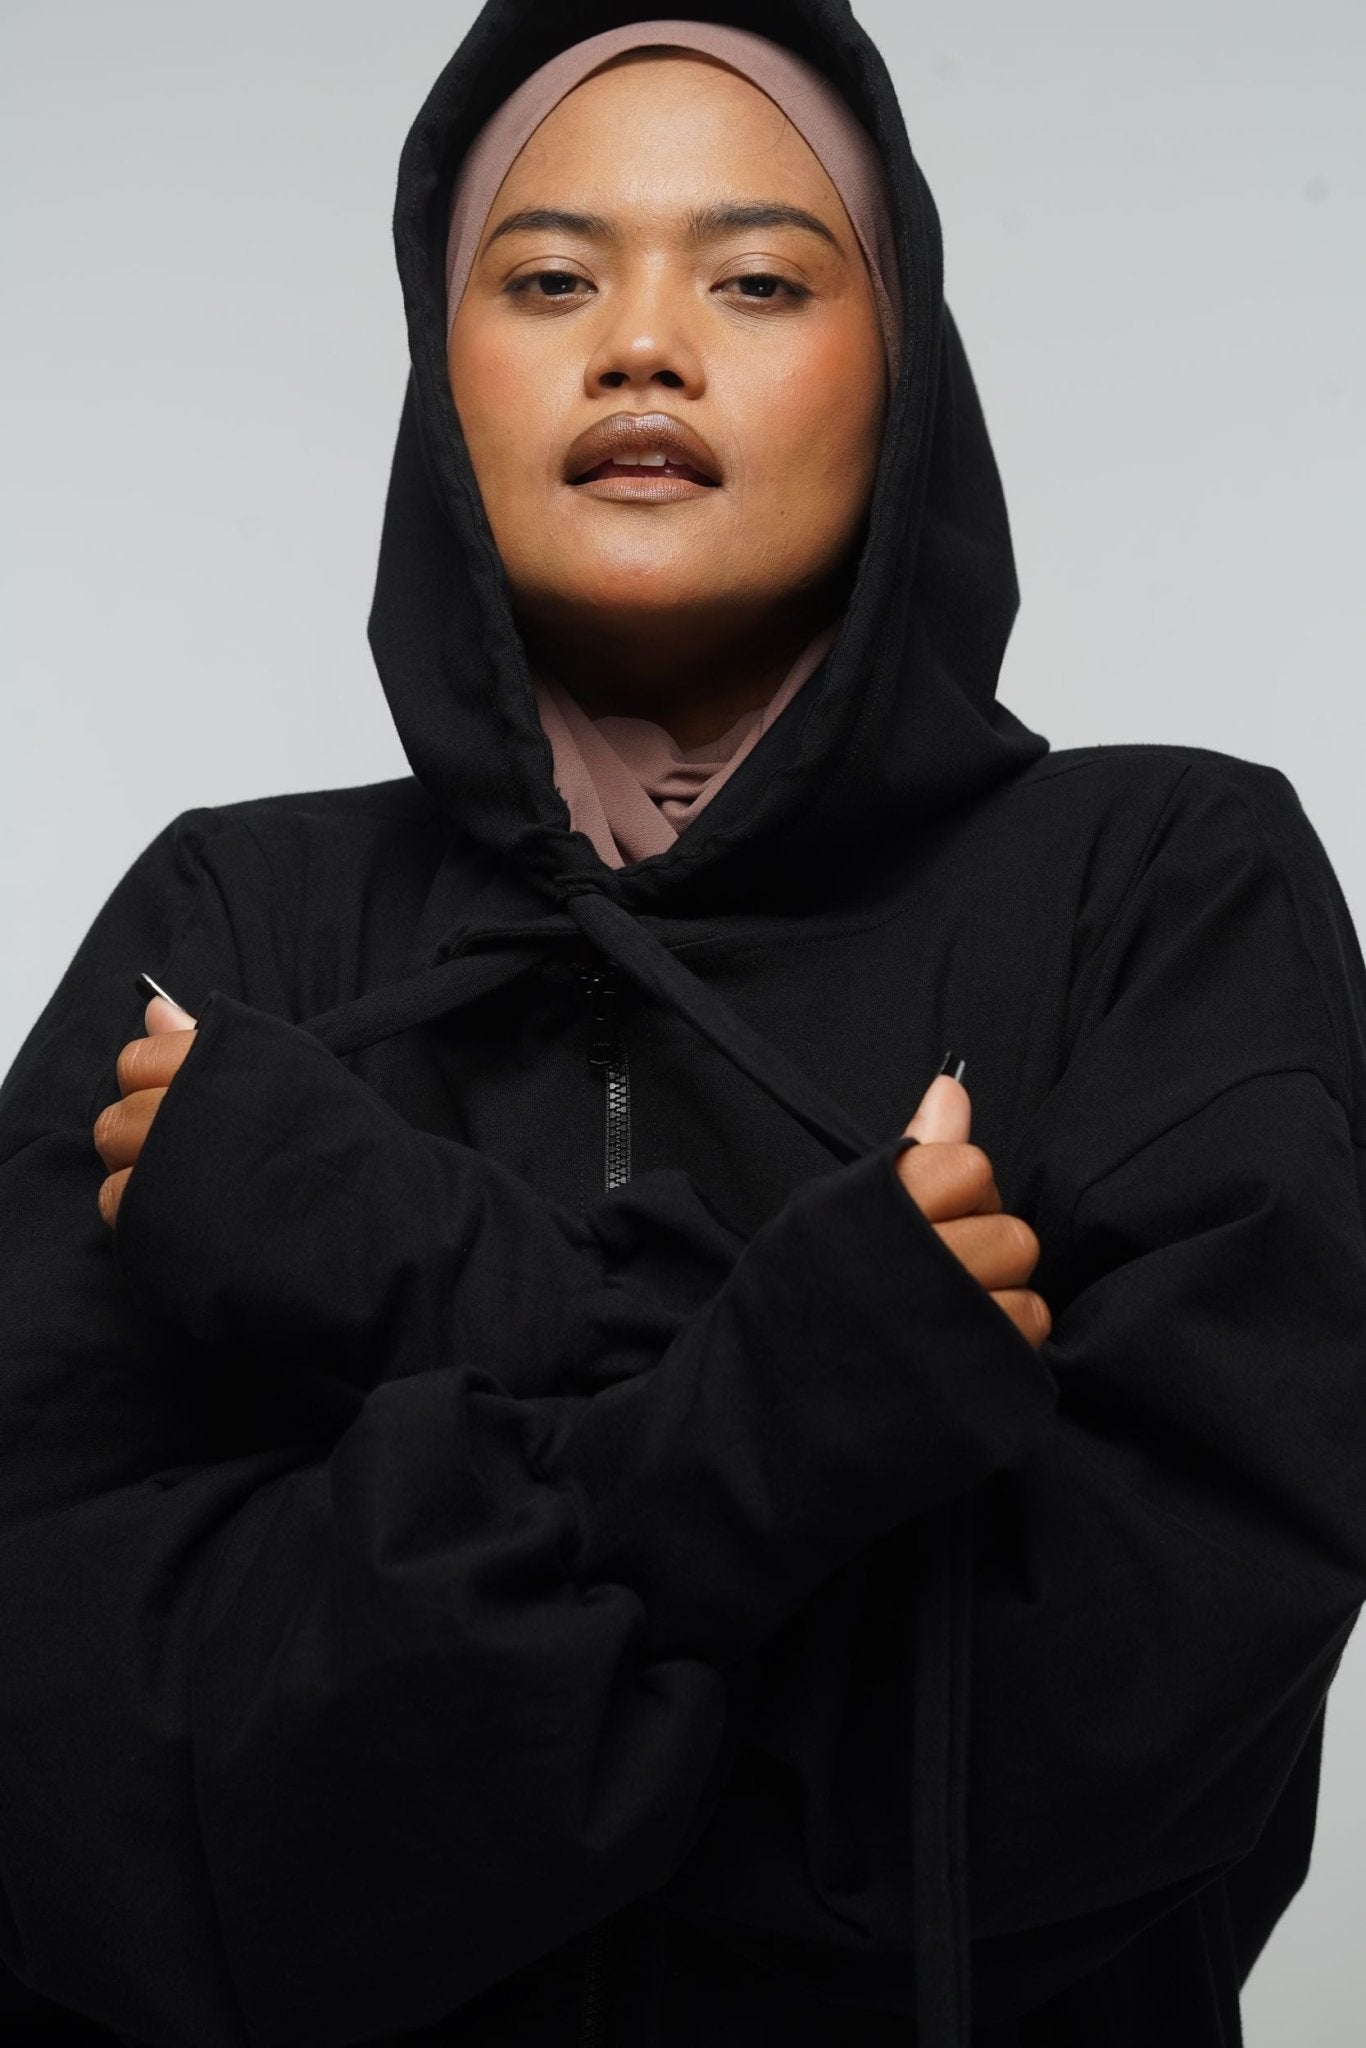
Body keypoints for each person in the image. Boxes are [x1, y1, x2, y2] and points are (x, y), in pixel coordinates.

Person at [1, 4, 1364, 2045]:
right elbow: (69, 1788)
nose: (640, 345)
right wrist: (745, 1442)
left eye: (757, 279)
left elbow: (1116, 1731)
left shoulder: (1160, 885)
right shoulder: (235, 922)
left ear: (902, 370)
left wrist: (424, 1330)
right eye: (548, 278)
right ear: (438, 372)